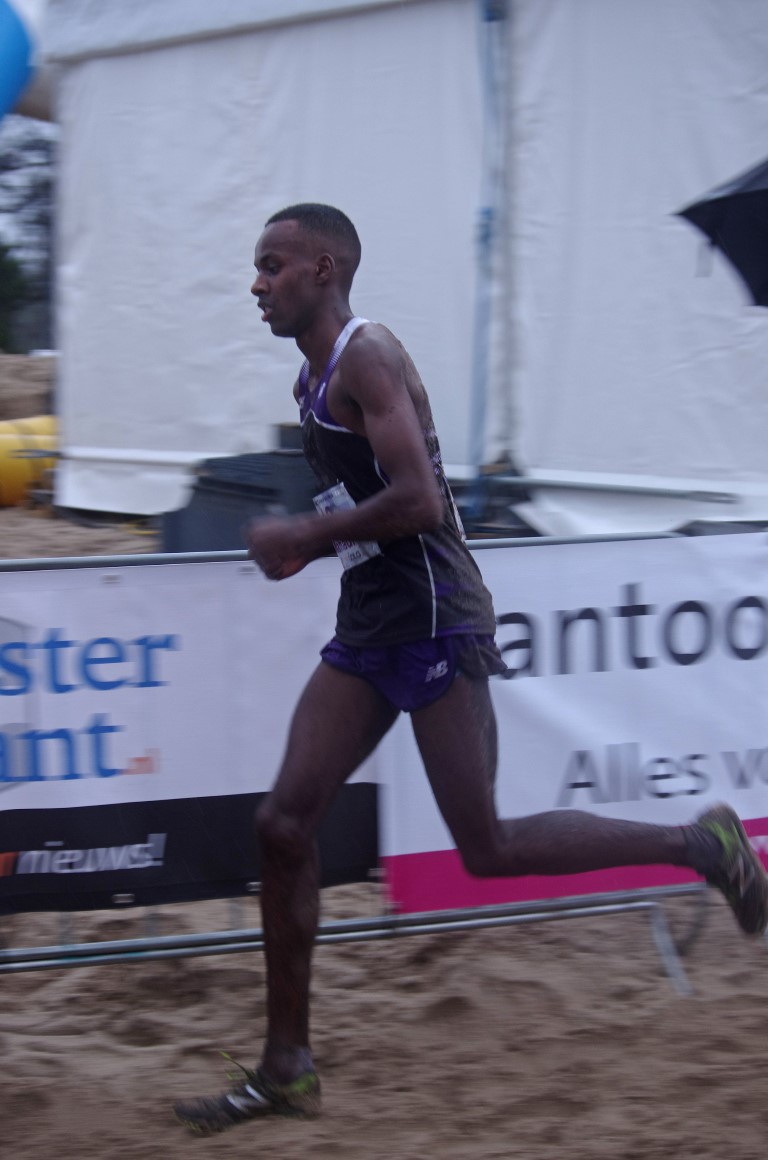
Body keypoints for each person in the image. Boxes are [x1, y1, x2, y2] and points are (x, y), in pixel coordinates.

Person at [174, 203, 768, 1136]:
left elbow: (419, 499)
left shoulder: (368, 356)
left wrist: (303, 535)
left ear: (324, 269)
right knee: (282, 824)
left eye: (272, 265)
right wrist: (316, 545)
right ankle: (286, 1067)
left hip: (435, 620)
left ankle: (702, 845)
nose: (257, 284)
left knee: (484, 846)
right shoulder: (309, 378)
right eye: (258, 267)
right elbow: (365, 506)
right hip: (372, 621)